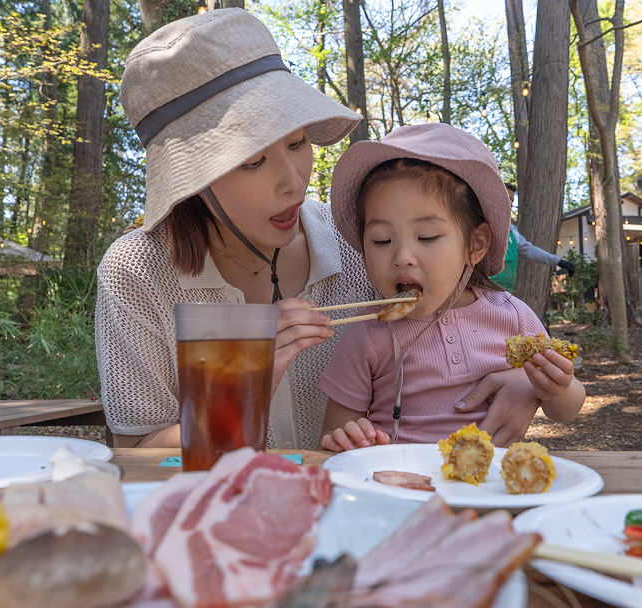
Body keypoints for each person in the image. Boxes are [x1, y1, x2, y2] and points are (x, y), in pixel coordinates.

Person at [98, 9, 537, 449]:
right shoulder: (137, 273)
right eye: (253, 161)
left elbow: (452, 325)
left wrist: (526, 382)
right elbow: (135, 452)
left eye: (297, 143)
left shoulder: (358, 243)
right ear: (191, 178)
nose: (294, 181)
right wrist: (246, 379)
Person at [318, 123, 586, 452]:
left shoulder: (512, 317)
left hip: (488, 489)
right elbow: (334, 432)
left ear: (475, 244)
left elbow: (565, 411)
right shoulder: (365, 332)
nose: (402, 257)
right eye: (381, 240)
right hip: (399, 488)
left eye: (427, 237)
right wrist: (349, 440)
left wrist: (559, 388)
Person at [491, 184, 577, 292]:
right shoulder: (483, 226)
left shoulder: (512, 230)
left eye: (512, 200)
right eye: (507, 198)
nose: (510, 204)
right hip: (483, 293)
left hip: (506, 294)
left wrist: (558, 261)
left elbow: (531, 251)